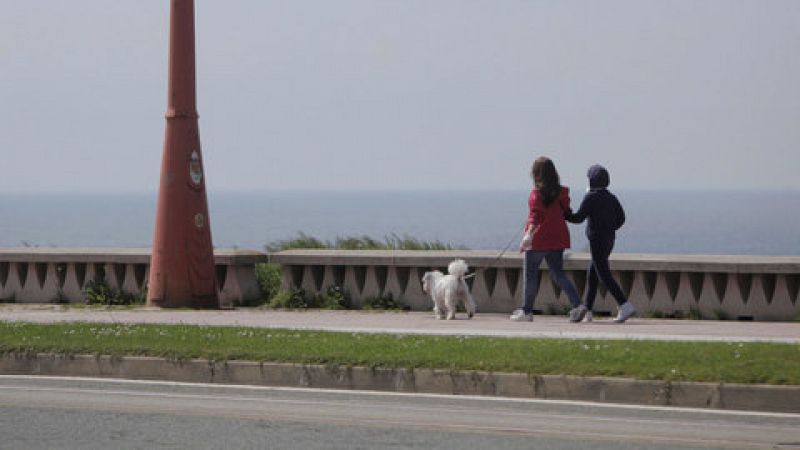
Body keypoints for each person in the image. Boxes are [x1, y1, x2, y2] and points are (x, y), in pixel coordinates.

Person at [510, 157, 587, 322]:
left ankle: (527, 311)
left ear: (536, 173)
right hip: (557, 237)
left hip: (538, 239)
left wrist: (528, 235)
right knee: (558, 274)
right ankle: (577, 304)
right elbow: (566, 211)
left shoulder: (536, 194)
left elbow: (535, 216)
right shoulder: (562, 192)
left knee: (531, 275)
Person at [565, 164, 635, 323]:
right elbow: (622, 218)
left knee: (604, 274)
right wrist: (610, 228)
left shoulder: (591, 197)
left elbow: (578, 218)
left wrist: (564, 213)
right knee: (593, 274)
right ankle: (588, 310)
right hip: (609, 240)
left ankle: (624, 304)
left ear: (591, 181)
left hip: (596, 240)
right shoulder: (611, 197)